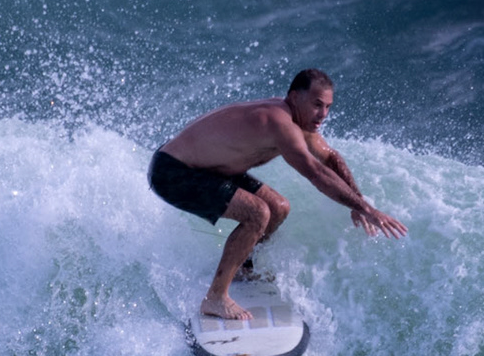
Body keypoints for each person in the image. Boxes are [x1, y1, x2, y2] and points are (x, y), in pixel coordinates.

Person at [150, 69, 407, 321]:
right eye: (317, 104)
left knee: (278, 207)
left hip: (210, 169)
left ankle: (243, 269)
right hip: (173, 171)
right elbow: (316, 173)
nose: (323, 114)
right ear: (294, 97)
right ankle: (215, 297)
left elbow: (329, 158)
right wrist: (367, 210)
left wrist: (357, 201)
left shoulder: (299, 121)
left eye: (328, 106)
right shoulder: (280, 122)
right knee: (257, 213)